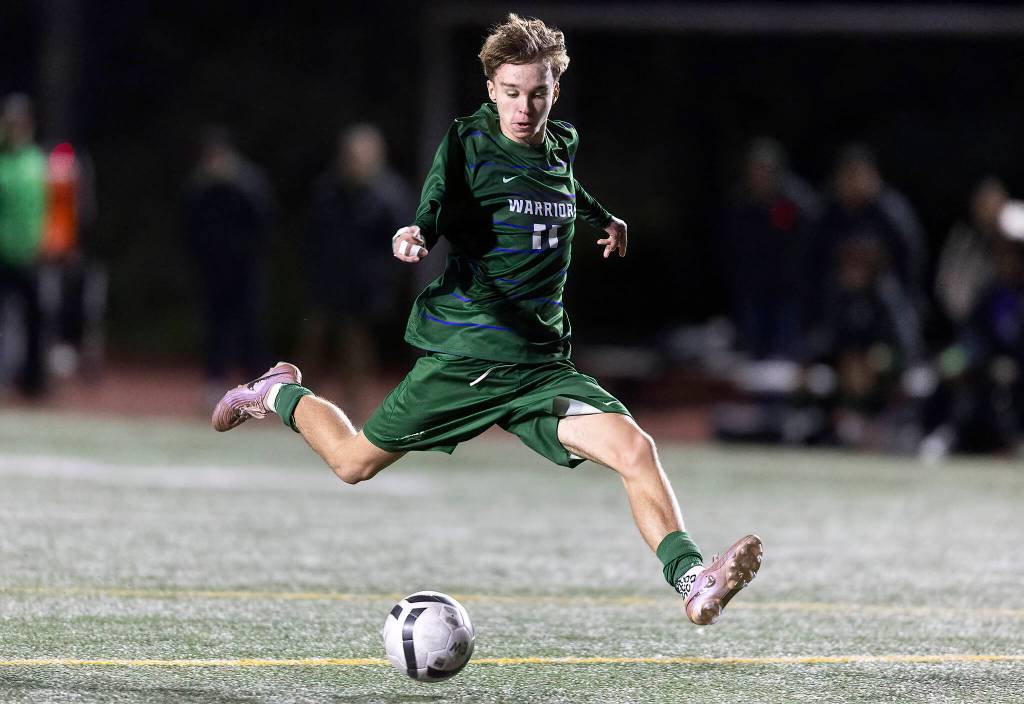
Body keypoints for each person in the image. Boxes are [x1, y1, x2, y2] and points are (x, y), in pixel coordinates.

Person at [212, 14, 762, 625]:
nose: (524, 107)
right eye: (511, 92)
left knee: (636, 448)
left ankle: (692, 578)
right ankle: (279, 391)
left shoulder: (561, 145)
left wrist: (604, 218)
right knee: (351, 462)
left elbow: (561, 188)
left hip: (541, 368)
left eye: (538, 93)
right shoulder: (470, 143)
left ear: (554, 91)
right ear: (491, 90)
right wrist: (417, 230)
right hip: (471, 356)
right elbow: (438, 199)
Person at [302, 124, 413, 416]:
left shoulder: (389, 196)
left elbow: (401, 242)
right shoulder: (327, 191)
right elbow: (312, 236)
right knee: (314, 335)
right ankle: (302, 400)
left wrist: (385, 279)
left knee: (356, 343)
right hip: (328, 280)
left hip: (366, 286)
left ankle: (354, 404)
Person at [183, 126, 273, 402]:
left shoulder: (247, 181)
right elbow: (188, 223)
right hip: (213, 269)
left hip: (246, 268)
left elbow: (264, 218)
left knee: (251, 328)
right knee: (215, 329)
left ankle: (260, 387)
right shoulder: (200, 184)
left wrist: (234, 185)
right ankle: (214, 381)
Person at [720, 137, 819, 360]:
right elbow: (732, 247)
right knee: (753, 355)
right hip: (754, 293)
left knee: (785, 355)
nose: (759, 175)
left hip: (789, 294)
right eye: (755, 169)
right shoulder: (741, 202)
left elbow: (811, 248)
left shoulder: (797, 203)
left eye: (765, 169)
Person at [0, 94, 48, 397]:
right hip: (2, 254)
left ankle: (33, 382)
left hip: (33, 254)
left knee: (36, 320)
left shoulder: (38, 162)